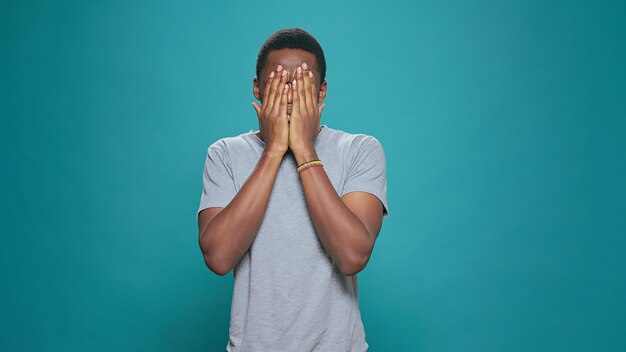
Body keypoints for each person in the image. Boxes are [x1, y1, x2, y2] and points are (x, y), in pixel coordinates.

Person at [196, 27, 389, 352]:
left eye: (301, 84)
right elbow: (218, 257)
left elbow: (353, 255)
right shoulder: (224, 154)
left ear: (321, 92)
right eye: (276, 82)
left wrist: (303, 149)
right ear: (257, 87)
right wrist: (273, 150)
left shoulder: (359, 150)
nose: (288, 94)